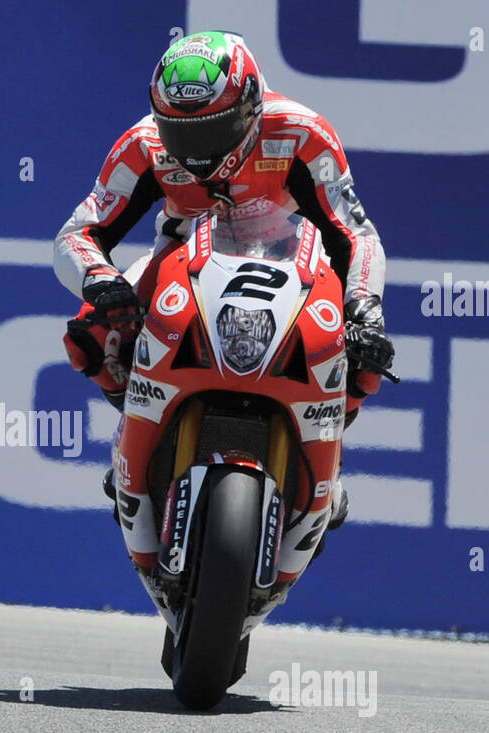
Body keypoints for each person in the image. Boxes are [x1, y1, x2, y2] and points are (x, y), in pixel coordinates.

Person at [54, 30, 396, 530]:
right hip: (181, 263)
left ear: (251, 108)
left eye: (210, 131)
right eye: (179, 131)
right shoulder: (144, 143)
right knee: (91, 335)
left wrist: (365, 308)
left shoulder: (302, 134)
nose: (194, 151)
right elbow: (77, 233)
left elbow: (355, 234)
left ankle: (329, 465)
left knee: (367, 355)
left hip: (296, 271)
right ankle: (138, 437)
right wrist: (103, 283)